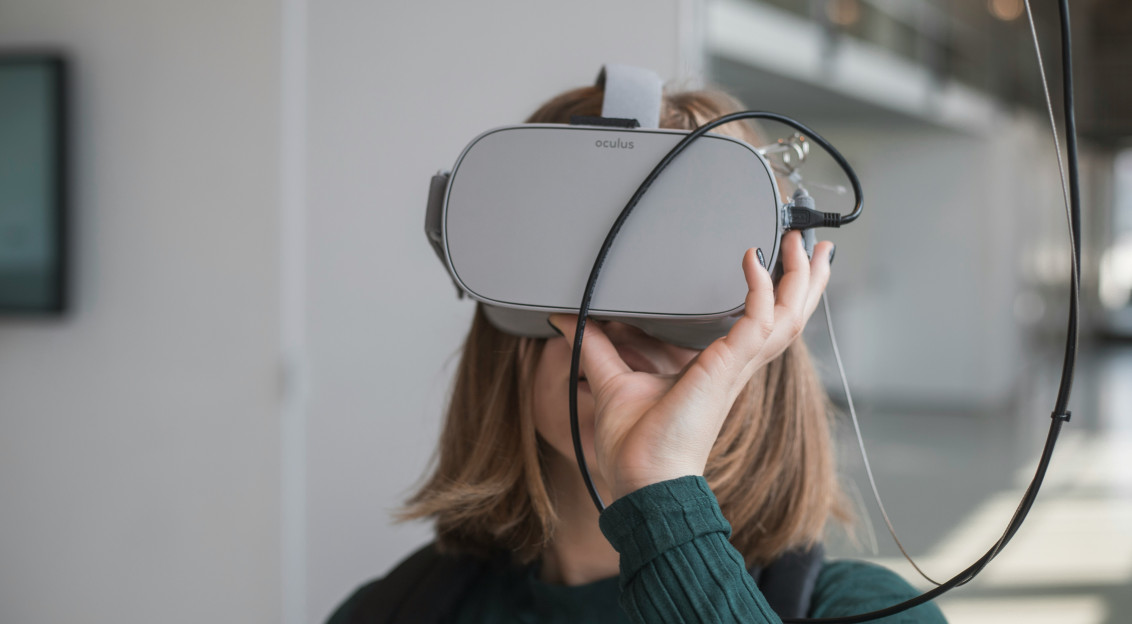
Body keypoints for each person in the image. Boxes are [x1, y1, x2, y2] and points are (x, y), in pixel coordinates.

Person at [328, 83, 947, 623]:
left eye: (675, 281)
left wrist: (661, 490)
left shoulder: (870, 610)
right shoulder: (391, 611)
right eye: (576, 269)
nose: (619, 324)